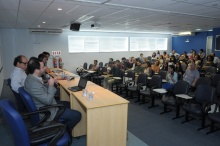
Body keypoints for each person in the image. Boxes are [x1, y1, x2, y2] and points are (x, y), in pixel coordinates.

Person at [24, 57, 81, 134]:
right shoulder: (33, 85)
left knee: (69, 104)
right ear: (36, 70)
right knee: (77, 115)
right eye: (43, 67)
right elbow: (48, 101)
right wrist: (51, 85)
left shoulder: (31, 78)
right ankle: (63, 130)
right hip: (48, 111)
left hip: (44, 104)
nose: (45, 68)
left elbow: (41, 87)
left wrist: (49, 83)